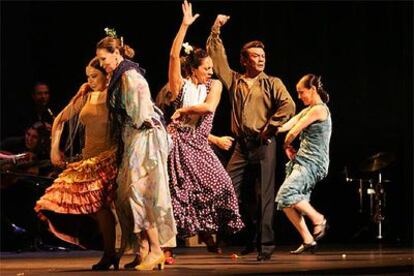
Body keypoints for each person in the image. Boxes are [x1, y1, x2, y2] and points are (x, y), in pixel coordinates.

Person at [206, 15, 296, 261]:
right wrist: (216, 28)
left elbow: (288, 106)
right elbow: (217, 58)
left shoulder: (272, 83)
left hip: (264, 144)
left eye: (262, 55)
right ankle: (250, 235)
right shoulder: (234, 79)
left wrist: (270, 127)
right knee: (228, 188)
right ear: (244, 60)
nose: (261, 59)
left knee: (264, 196)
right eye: (255, 56)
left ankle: (265, 246)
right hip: (241, 145)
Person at [167, 0, 244, 255]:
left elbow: (208, 108)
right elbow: (172, 55)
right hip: (178, 144)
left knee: (222, 185)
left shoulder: (214, 87)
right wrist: (184, 25)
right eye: (207, 68)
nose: (211, 72)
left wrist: (184, 110)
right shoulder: (180, 86)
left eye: (212, 68)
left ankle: (213, 235)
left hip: (199, 145)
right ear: (194, 69)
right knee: (179, 194)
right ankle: (168, 247)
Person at [96, 30, 176, 271]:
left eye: (104, 59)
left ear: (116, 53)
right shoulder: (121, 74)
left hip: (145, 136)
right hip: (135, 136)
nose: (102, 64)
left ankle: (156, 249)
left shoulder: (129, 75)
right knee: (131, 194)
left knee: (140, 192)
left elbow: (140, 113)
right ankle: (143, 249)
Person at [34, 57, 119, 270]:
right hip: (88, 160)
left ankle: (113, 252)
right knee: (63, 197)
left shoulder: (116, 94)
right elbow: (60, 119)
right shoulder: (86, 94)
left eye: (95, 76)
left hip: (110, 157)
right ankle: (107, 245)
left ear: (107, 75)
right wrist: (55, 149)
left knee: (101, 206)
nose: (90, 80)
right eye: (88, 76)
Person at [275, 74, 331, 254]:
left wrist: (286, 144)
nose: (299, 97)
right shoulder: (309, 109)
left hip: (313, 163)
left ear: (313, 90)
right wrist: (270, 128)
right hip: (302, 161)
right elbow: (289, 123)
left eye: (301, 92)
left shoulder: (319, 110)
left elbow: (294, 130)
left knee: (286, 193)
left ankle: (319, 219)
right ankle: (308, 239)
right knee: (286, 203)